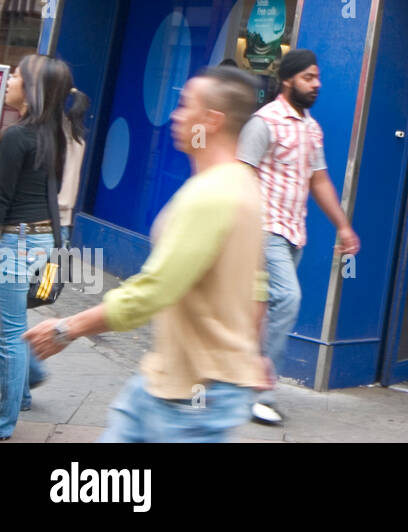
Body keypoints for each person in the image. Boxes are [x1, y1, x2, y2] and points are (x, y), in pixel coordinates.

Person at [26, 66, 269, 442]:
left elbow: (153, 292)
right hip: (172, 379)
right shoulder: (244, 184)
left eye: (186, 105)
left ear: (212, 121)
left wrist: (65, 328)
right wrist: (251, 353)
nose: (176, 115)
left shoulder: (210, 195)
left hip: (192, 395)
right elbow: (256, 288)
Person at [236, 49, 359, 425]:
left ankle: (230, 377)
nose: (317, 84)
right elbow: (241, 174)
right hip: (264, 230)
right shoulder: (264, 122)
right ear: (288, 80)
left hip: (294, 234)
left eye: (318, 77)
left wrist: (343, 225)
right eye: (309, 77)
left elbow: (318, 180)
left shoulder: (310, 127)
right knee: (288, 299)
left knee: (259, 311)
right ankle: (261, 393)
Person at [0, 55, 87, 439]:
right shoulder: (54, 133)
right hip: (39, 239)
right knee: (11, 326)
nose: (9, 80)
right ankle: (21, 393)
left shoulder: (18, 136)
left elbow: (1, 199)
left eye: (16, 76)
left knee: (9, 333)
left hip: (15, 240)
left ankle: (4, 421)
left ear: (32, 88)